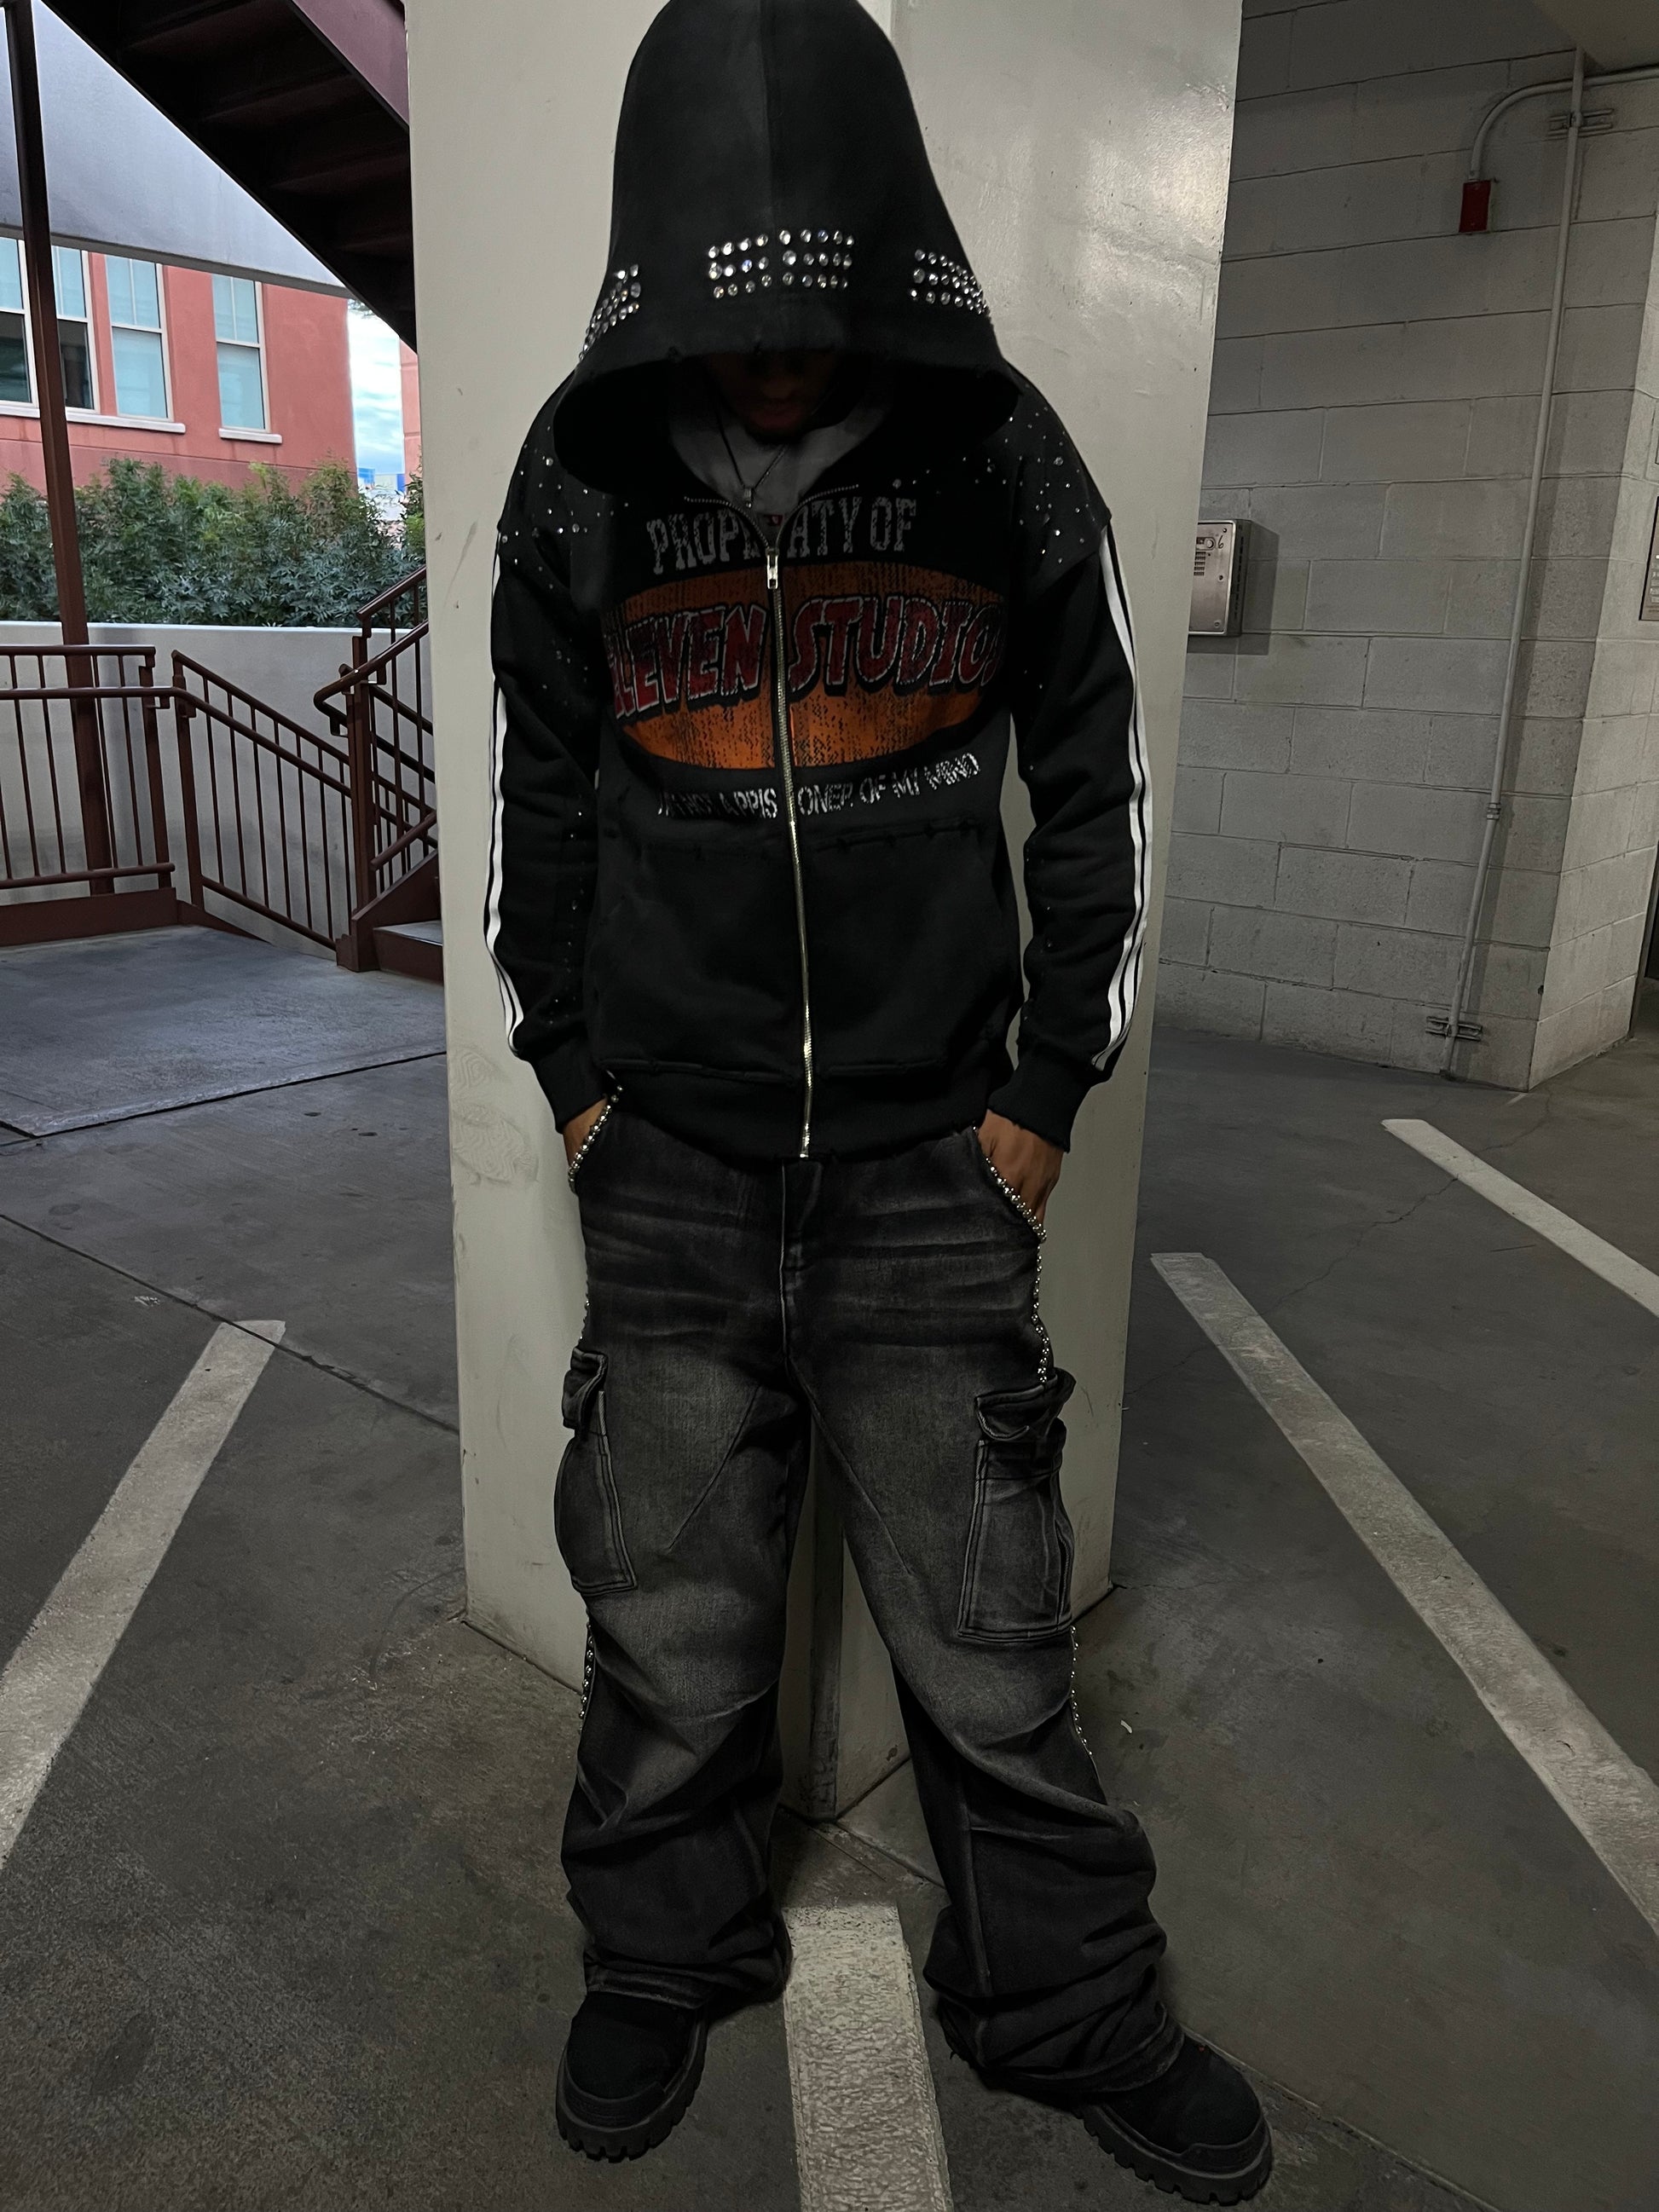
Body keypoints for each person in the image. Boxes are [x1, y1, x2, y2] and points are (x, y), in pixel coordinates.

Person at [488, 1, 1271, 2202]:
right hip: (668, 1155)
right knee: (667, 1602)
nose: (768, 354)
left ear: (880, 248)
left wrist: (1042, 1088)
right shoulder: (580, 476)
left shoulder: (999, 455)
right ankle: (662, 1955)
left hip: (936, 1157)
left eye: (807, 303)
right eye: (728, 308)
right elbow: (535, 791)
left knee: (987, 1624)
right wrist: (574, 1078)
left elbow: (1101, 778)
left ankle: (1068, 2002)